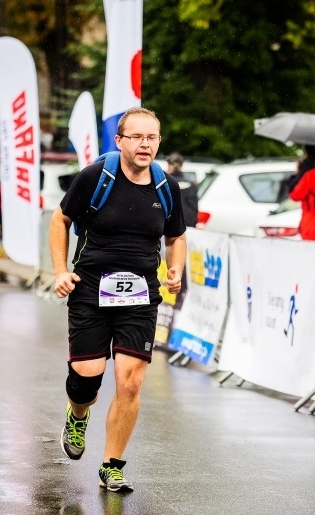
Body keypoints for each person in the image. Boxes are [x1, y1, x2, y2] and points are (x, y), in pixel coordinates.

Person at [49, 107, 187, 492]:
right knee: (86, 382)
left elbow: (176, 237)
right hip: (91, 289)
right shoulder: (97, 177)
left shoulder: (166, 186)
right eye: (137, 137)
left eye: (152, 137)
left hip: (141, 294)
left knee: (130, 382)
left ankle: (112, 465)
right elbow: (60, 220)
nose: (145, 144)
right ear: (120, 141)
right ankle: (77, 416)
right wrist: (61, 271)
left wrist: (175, 268)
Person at [166, 152, 199, 227]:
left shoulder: (165, 183)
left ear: (169, 165)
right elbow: (195, 206)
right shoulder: (191, 184)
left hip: (170, 225)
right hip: (188, 224)